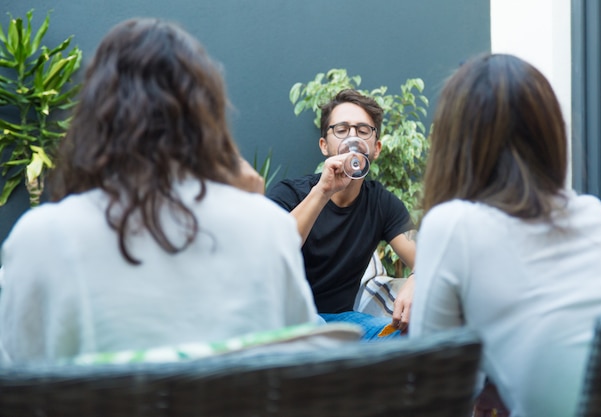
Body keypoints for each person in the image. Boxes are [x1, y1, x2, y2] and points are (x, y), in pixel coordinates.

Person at [0, 18, 320, 364]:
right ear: (206, 118)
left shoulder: (40, 238)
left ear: (94, 117)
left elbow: (19, 382)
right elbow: (295, 367)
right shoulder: (268, 228)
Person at [408, 53, 601, 417]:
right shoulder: (595, 215)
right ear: (549, 137)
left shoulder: (454, 225)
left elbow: (432, 396)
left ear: (453, 145)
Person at [266, 89, 417, 340]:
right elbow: (271, 252)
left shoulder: (382, 202)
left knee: (407, 335)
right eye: (342, 129)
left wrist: (417, 280)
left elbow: (428, 259)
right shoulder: (289, 193)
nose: (353, 137)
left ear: (376, 148)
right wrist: (323, 191)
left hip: (343, 321)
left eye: (362, 130)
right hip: (289, 320)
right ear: (324, 145)